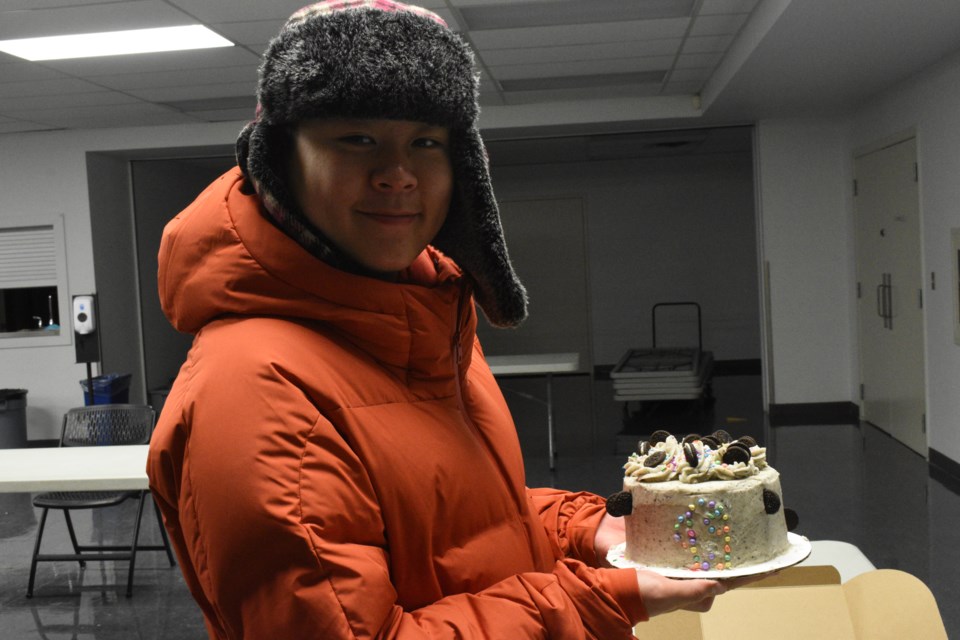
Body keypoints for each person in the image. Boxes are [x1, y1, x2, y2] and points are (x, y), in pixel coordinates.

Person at [147, 2, 753, 637]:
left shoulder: (429, 316)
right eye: (357, 138)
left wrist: (587, 529)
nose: (398, 175)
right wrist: (604, 599)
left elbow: (462, 533)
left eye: (426, 142)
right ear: (279, 159)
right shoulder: (254, 393)